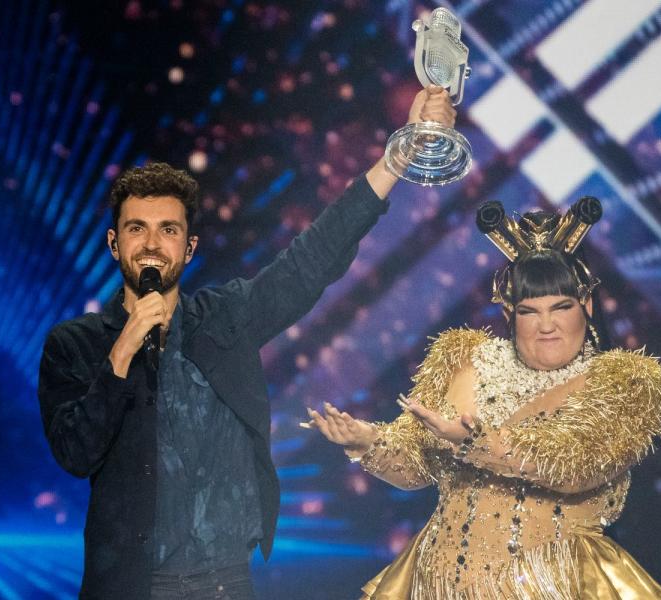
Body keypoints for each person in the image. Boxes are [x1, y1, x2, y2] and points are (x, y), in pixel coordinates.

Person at [37, 88, 456, 599]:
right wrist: (121, 353)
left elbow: (311, 260)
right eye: (136, 229)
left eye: (168, 229)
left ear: (189, 247)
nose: (151, 243)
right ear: (113, 243)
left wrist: (399, 155)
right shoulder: (75, 345)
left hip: (224, 584)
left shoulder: (227, 318)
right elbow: (75, 454)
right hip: (130, 585)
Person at [308, 201, 661, 599]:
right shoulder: (463, 359)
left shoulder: (624, 382)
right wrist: (367, 443)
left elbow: (576, 467)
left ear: (585, 305)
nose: (547, 325)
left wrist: (476, 443)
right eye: (529, 311)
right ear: (508, 314)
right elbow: (415, 466)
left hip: (551, 583)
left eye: (561, 308)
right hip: (439, 583)